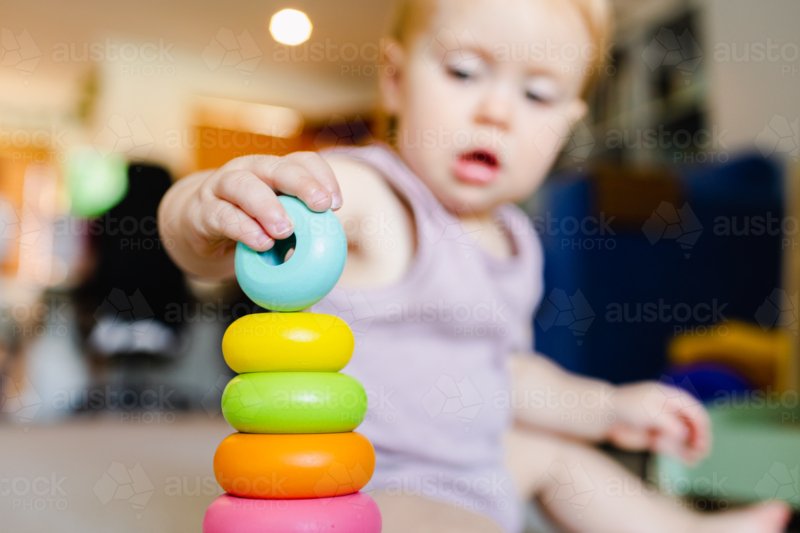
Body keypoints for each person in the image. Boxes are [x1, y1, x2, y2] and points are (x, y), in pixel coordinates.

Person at [158, 0, 791, 531]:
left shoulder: (518, 242)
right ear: (396, 80)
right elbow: (248, 223)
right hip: (371, 481)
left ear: (567, 124)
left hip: (478, 466)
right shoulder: (374, 198)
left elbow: (505, 373)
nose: (497, 111)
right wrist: (202, 211)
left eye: (537, 94)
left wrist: (608, 407)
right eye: (464, 72)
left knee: (559, 456)